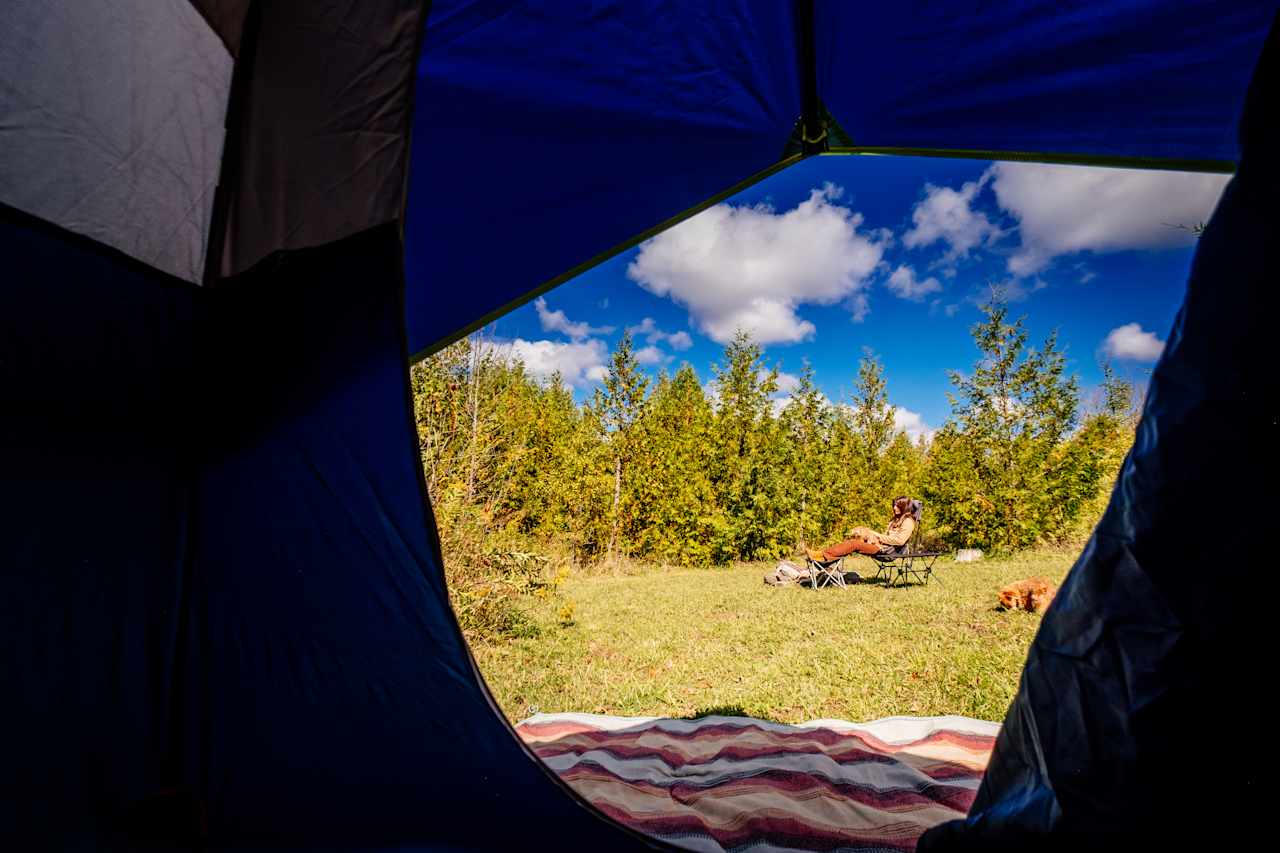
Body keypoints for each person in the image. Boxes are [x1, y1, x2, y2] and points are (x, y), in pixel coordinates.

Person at [805, 496, 916, 563]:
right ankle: (822, 556)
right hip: (880, 546)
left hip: (888, 552)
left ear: (904, 507)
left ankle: (822, 555)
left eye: (897, 506)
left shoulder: (908, 521)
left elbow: (900, 541)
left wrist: (877, 535)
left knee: (854, 544)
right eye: (894, 505)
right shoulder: (895, 520)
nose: (894, 508)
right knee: (854, 540)